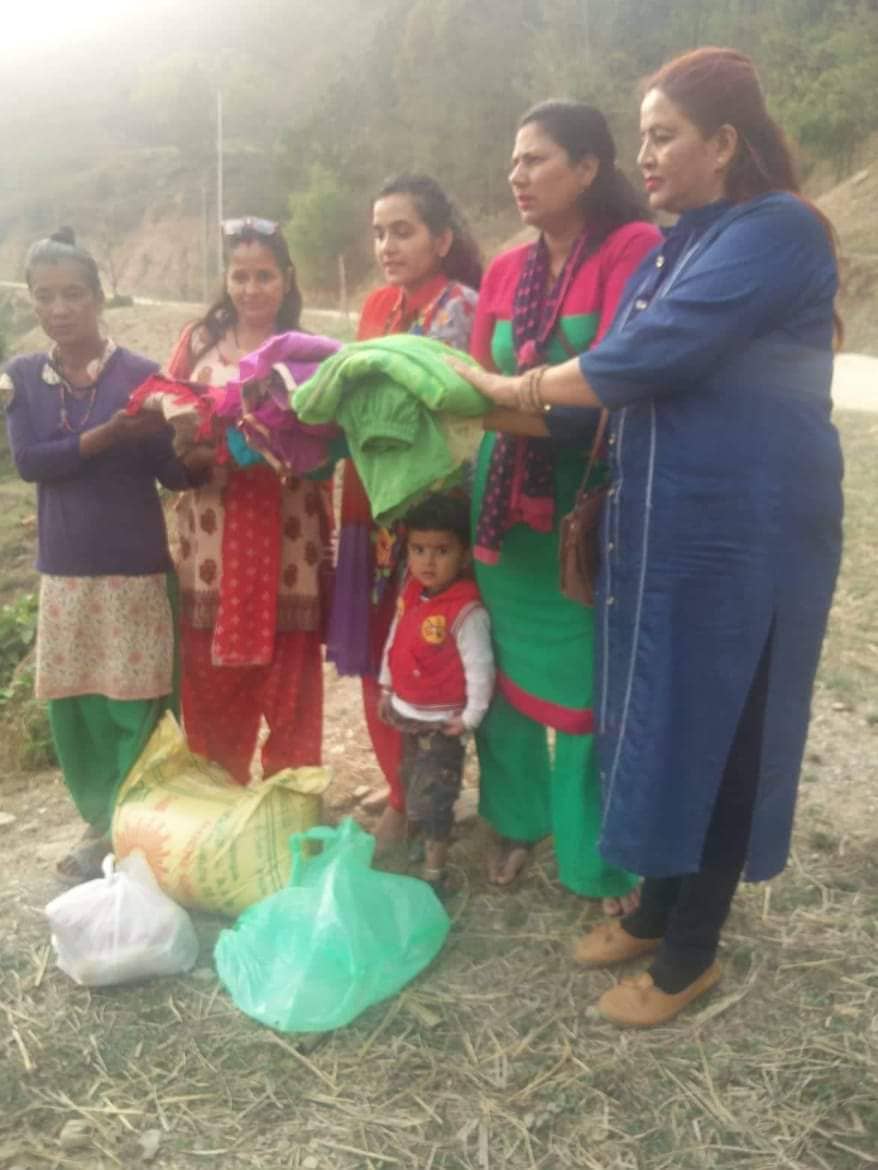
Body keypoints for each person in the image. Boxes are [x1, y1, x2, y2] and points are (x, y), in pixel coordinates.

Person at [453, 48, 844, 1026]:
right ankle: (657, 907)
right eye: (643, 137)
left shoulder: (779, 230)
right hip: (658, 535)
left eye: (665, 136)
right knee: (662, 721)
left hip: (745, 536)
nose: (647, 155)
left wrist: (507, 385)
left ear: (725, 142)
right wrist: (451, 399)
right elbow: (600, 393)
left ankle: (689, 954)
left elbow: (641, 356)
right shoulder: (674, 248)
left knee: (724, 733)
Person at [468, 102, 660, 909]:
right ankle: (516, 820)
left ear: (587, 169)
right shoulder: (506, 270)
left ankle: (596, 858)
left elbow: (612, 388)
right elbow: (472, 382)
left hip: (585, 511)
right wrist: (504, 404)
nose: (517, 175)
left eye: (536, 159)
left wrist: (503, 402)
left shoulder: (630, 249)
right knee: (502, 668)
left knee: (588, 686)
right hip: (500, 508)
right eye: (514, 160)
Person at [2, 229, 196, 881]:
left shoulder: (140, 374)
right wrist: (107, 435)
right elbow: (31, 462)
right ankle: (99, 819)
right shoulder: (23, 378)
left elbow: (171, 472)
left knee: (135, 701)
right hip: (64, 573)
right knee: (76, 704)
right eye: (45, 296)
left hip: (134, 567)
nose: (59, 309)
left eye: (74, 294)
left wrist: (196, 445)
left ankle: (131, 821)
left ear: (99, 296)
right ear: (32, 301)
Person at [329, 175, 482, 849]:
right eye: (379, 233)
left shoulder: (461, 309)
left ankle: (419, 801)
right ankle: (399, 784)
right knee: (379, 653)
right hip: (369, 506)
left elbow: (435, 410)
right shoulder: (376, 308)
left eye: (403, 231)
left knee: (433, 653)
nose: (387, 245)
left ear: (441, 240)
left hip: (430, 515)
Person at [167, 218, 332, 784]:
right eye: (240, 276)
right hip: (211, 545)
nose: (251, 289)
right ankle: (219, 796)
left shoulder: (307, 353)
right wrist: (200, 445)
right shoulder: (197, 346)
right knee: (210, 686)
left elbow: (330, 445)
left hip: (289, 543)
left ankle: (291, 798)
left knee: (291, 687)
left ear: (287, 278)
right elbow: (167, 422)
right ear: (226, 279)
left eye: (264, 276)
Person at [378, 493, 494, 890]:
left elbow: (480, 667)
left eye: (441, 551)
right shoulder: (412, 592)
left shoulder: (466, 610)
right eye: (418, 550)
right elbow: (396, 637)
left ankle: (434, 874)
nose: (428, 561)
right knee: (411, 781)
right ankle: (418, 850)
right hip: (408, 715)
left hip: (443, 724)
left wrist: (471, 717)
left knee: (435, 798)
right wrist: (387, 686)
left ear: (464, 555)